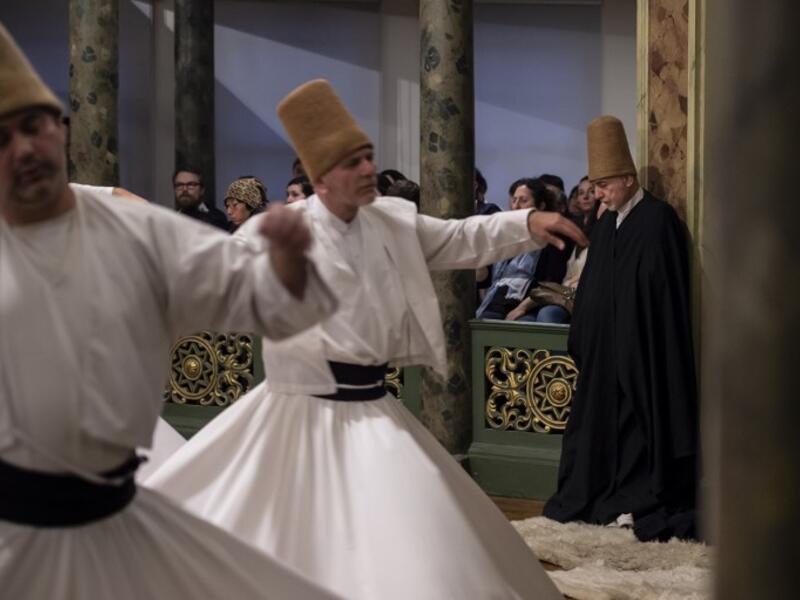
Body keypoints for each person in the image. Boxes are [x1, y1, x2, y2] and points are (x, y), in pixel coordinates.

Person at [148, 79, 586, 600]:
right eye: (353, 162)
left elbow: (459, 237)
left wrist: (529, 221)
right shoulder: (279, 231)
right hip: (295, 411)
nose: (366, 171)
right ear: (322, 179)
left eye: (367, 158)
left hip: (373, 405)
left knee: (416, 534)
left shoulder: (391, 220)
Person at [0, 24, 340, 600]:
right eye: (1, 139)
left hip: (120, 522)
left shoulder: (141, 230)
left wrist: (286, 265)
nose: (24, 150)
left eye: (33, 127)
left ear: (61, 129)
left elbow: (263, 302)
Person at [543, 116, 699, 542]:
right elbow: (595, 286)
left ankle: (634, 501)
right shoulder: (607, 224)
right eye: (596, 186)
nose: (599, 194)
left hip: (643, 355)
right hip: (604, 356)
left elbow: (662, 292)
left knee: (637, 433)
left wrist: (631, 338)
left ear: (629, 180)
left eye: (606, 185)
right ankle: (604, 498)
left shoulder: (657, 220)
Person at [476, 178, 552, 321]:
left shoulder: (549, 240)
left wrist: (521, 308)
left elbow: (549, 284)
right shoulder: (505, 237)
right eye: (514, 200)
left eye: (523, 200)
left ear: (541, 205)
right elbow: (484, 280)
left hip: (524, 306)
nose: (515, 206)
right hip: (493, 303)